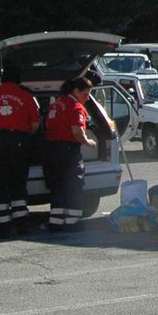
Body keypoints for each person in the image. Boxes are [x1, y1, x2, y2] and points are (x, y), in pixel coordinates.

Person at [0, 62, 40, 238]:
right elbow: (35, 124)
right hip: (18, 142)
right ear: (19, 80)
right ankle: (22, 224)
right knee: (18, 182)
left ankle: (2, 227)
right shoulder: (26, 97)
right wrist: (25, 137)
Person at [42, 75, 97, 234]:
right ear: (76, 91)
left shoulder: (55, 105)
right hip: (68, 152)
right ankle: (73, 223)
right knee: (74, 186)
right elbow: (77, 131)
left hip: (51, 151)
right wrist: (88, 142)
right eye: (86, 94)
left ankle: (56, 223)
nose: (87, 98)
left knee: (57, 187)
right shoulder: (76, 107)